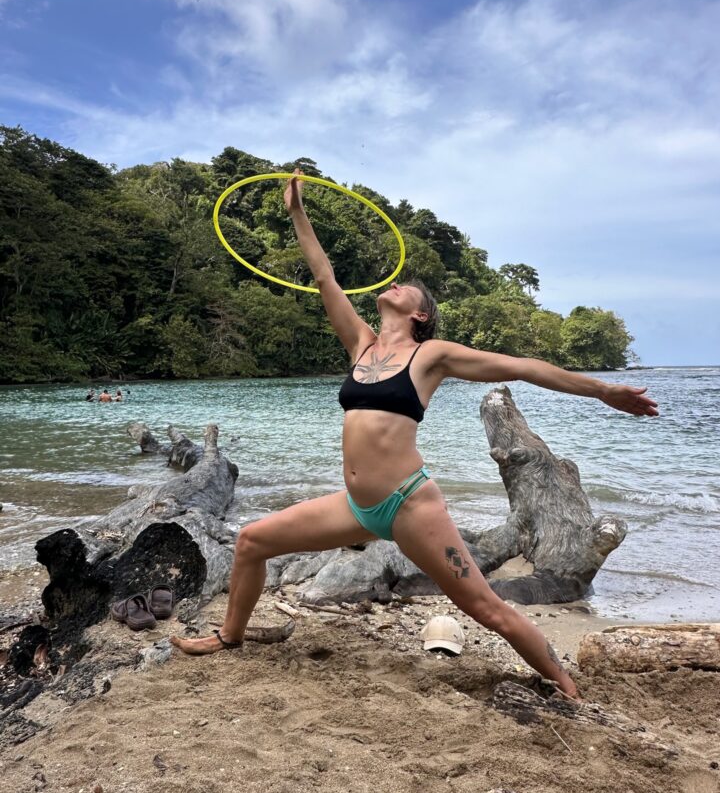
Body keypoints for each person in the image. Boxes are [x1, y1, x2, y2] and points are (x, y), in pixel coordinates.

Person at [172, 173, 658, 699]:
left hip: (409, 505)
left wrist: (603, 391)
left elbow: (522, 366)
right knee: (251, 541)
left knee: (483, 607)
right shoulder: (359, 345)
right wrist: (296, 213)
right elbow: (324, 276)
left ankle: (566, 683)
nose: (394, 283)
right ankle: (229, 636)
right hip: (357, 506)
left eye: (406, 287)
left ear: (419, 313)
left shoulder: (430, 356)